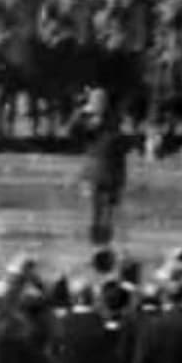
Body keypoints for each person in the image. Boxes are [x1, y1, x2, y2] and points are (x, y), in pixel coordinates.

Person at [68, 88, 127, 248]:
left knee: (108, 213)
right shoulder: (86, 123)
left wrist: (121, 181)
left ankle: (104, 246)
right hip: (93, 174)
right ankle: (95, 244)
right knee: (94, 212)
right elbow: (72, 131)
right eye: (96, 101)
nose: (99, 105)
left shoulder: (113, 124)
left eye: (101, 101)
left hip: (110, 174)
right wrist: (82, 112)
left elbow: (120, 154)